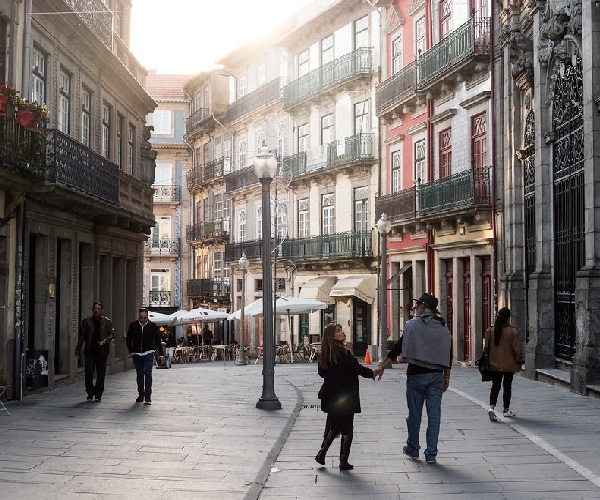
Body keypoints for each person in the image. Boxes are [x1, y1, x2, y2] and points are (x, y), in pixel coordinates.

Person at [378, 292, 452, 465]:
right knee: (434, 415)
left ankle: (413, 448)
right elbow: (448, 351)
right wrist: (447, 376)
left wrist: (382, 366)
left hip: (416, 375)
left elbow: (398, 347)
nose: (415, 308)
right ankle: (431, 453)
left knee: (414, 415)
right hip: (436, 376)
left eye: (417, 306)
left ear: (424, 307)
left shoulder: (412, 325)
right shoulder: (443, 326)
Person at [315, 322, 382, 471]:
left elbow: (322, 374)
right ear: (332, 337)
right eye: (338, 331)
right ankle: (343, 461)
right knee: (347, 430)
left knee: (334, 427)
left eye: (341, 330)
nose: (342, 333)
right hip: (345, 396)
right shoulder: (344, 353)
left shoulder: (324, 354)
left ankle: (322, 453)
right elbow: (357, 369)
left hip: (331, 396)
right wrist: (373, 373)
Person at [484, 307, 524, 422]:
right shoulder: (513, 331)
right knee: (507, 386)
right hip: (509, 364)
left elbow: (486, 348)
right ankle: (506, 410)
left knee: (495, 386)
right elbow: (517, 349)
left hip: (494, 363)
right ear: (508, 318)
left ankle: (491, 408)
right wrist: (520, 360)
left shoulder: (490, 330)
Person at [74, 302, 115, 402]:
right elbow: (82, 337)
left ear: (102, 310)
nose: (96, 310)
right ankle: (90, 391)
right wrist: (77, 350)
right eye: (95, 308)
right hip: (89, 351)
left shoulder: (106, 322)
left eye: (98, 309)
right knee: (88, 372)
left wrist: (105, 341)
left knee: (101, 374)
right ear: (92, 310)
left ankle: (98, 394)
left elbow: (112, 334)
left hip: (102, 352)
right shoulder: (86, 322)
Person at [126, 308, 164, 404]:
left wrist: (161, 354)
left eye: (145, 318)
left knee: (147, 372)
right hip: (137, 353)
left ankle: (148, 395)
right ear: (138, 317)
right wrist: (131, 351)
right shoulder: (133, 325)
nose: (143, 320)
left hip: (149, 352)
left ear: (148, 317)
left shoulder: (152, 326)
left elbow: (157, 340)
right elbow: (128, 339)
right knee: (139, 374)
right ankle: (141, 394)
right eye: (141, 318)